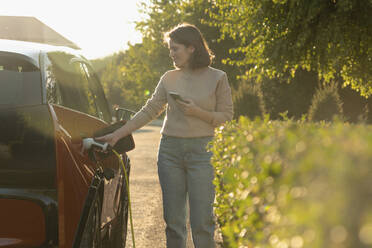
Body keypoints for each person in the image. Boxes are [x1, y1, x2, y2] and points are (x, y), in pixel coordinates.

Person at [96, 23, 233, 248]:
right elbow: (150, 110)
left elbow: (226, 116)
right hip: (170, 152)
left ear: (192, 48)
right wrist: (117, 134)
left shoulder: (218, 77)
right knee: (174, 223)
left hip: (203, 152)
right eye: (170, 49)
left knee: (203, 223)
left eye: (175, 48)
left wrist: (197, 112)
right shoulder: (168, 78)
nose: (171, 53)